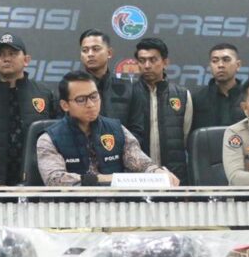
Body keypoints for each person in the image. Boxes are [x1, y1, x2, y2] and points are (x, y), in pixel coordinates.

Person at [37, 70, 178, 186]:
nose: (91, 104)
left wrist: (157, 172)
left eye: (94, 96)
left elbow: (142, 163)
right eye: (81, 100)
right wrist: (103, 179)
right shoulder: (49, 139)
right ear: (65, 105)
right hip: (72, 207)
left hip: (115, 205)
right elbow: (54, 180)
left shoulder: (117, 129)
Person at [0, 33, 59, 185]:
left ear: (26, 60)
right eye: (1, 55)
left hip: (35, 182)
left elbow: (57, 137)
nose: (6, 59)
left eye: (12, 53)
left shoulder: (46, 95)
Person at [130, 38, 193, 183]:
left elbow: (186, 138)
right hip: (138, 177)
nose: (147, 66)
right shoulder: (129, 94)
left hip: (175, 176)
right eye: (142, 60)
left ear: (165, 62)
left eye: (153, 60)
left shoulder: (182, 95)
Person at [77, 28, 144, 144]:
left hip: (122, 152)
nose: (90, 54)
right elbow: (63, 130)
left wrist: (118, 149)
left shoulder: (129, 88)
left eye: (96, 49)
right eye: (85, 50)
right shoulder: (72, 89)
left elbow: (137, 131)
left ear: (109, 53)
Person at [190, 43, 244, 131]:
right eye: (215, 61)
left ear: (238, 65)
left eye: (226, 60)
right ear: (210, 66)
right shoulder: (196, 99)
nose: (220, 65)